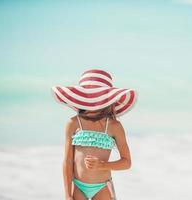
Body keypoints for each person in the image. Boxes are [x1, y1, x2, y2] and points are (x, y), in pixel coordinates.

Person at [51, 69, 138, 200]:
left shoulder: (114, 126)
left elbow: (127, 162)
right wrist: (67, 194)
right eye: (88, 96)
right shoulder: (73, 123)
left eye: (98, 95)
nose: (93, 100)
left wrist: (103, 165)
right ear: (81, 98)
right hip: (78, 186)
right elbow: (68, 161)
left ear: (107, 98)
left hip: (102, 187)